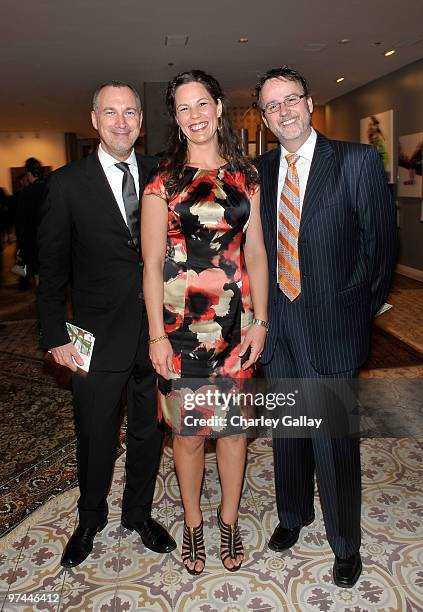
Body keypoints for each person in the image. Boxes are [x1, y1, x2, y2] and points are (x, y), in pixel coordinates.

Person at [255, 66, 397, 588]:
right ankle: (293, 516)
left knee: (334, 440)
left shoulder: (357, 161)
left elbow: (380, 250)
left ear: (309, 102)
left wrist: (356, 312)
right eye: (272, 105)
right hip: (279, 327)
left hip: (333, 325)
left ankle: (344, 542)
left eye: (291, 99)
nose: (284, 111)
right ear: (266, 118)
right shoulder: (262, 170)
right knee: (289, 433)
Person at [37, 80, 176, 568]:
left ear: (141, 120)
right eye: (111, 113)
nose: (121, 121)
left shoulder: (162, 173)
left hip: (158, 332)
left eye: (130, 112)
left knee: (147, 430)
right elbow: (52, 266)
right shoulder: (68, 183)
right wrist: (54, 335)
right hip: (94, 337)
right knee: (95, 433)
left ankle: (137, 513)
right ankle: (89, 517)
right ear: (94, 120)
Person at [141, 70, 268, 574]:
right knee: (191, 435)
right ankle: (193, 522)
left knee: (233, 431)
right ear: (175, 118)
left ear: (218, 107)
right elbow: (150, 264)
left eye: (202, 104)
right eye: (183, 108)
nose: (194, 116)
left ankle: (229, 520)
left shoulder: (246, 177)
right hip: (179, 327)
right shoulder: (162, 180)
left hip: (237, 324)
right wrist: (155, 333)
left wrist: (261, 320)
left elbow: (256, 254)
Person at [15, 158, 46, 286]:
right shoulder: (51, 188)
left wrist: (20, 249)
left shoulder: (26, 193)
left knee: (38, 277)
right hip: (53, 241)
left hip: (33, 243)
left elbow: (22, 224)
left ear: (28, 174)